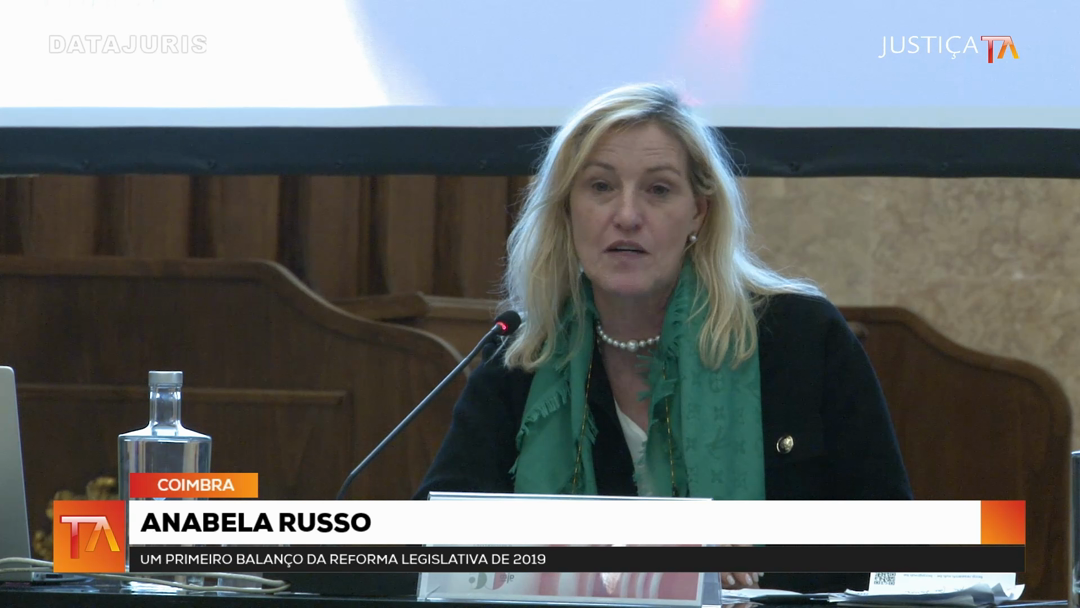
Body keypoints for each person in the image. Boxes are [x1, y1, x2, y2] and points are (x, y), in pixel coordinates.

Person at [414, 82, 913, 593]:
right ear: (567, 209)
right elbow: (429, 548)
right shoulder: (523, 355)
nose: (627, 215)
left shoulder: (800, 337)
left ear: (699, 211)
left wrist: (739, 573)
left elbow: (893, 551)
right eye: (601, 186)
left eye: (658, 190)